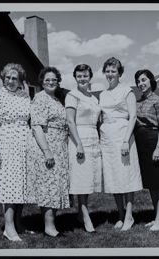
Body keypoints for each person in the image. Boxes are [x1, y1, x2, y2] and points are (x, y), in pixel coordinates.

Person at [0, 63, 31, 241]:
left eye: (15, 78)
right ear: (3, 78)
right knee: (9, 186)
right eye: (8, 77)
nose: (11, 81)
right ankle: (9, 228)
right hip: (6, 142)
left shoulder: (25, 96)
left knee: (22, 185)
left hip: (24, 143)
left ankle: (19, 223)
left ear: (20, 80)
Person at [99, 57, 143, 231]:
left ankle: (129, 215)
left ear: (120, 73)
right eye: (107, 71)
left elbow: (132, 116)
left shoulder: (127, 91)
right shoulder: (102, 94)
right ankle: (120, 214)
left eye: (113, 71)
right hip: (107, 137)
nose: (110, 74)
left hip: (123, 135)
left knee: (126, 175)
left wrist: (126, 140)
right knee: (113, 177)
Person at [26, 66, 70, 238]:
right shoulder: (40, 98)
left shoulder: (57, 99)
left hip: (60, 146)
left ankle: (52, 223)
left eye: (54, 80)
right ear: (42, 83)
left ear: (58, 82)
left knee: (56, 186)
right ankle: (49, 226)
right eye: (47, 80)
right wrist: (47, 152)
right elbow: (36, 126)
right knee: (48, 186)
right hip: (47, 145)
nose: (51, 82)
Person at [65, 64, 102, 233]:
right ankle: (86, 217)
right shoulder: (72, 96)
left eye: (85, 76)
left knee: (88, 179)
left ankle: (81, 213)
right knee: (80, 178)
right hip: (79, 138)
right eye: (79, 76)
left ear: (90, 77)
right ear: (75, 78)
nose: (82, 79)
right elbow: (70, 121)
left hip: (93, 137)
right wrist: (78, 143)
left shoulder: (93, 98)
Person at [134, 69, 159, 231]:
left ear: (151, 81)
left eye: (143, 80)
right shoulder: (138, 101)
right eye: (138, 81)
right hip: (142, 144)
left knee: (158, 182)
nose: (141, 83)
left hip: (154, 141)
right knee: (151, 183)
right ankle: (157, 217)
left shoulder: (158, 100)